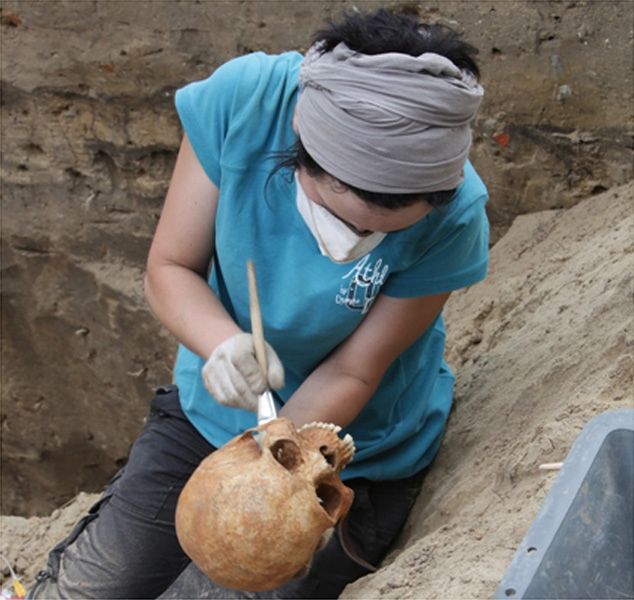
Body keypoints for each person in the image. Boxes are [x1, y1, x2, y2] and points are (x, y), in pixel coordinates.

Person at [28, 7, 488, 599]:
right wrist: (220, 344)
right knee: (88, 591)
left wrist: (277, 461)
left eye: (378, 233)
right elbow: (170, 269)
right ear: (299, 146)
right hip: (210, 417)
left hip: (342, 454)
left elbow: (355, 368)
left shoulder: (456, 215)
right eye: (335, 213)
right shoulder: (247, 103)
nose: (347, 243)